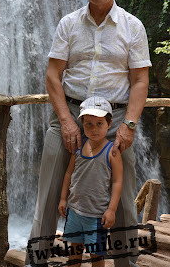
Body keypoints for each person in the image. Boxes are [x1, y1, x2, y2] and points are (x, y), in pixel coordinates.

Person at [26, 0, 151, 267]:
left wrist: (129, 125)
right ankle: (36, 263)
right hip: (70, 116)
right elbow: (53, 75)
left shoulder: (132, 27)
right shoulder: (69, 24)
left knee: (123, 200)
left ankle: (126, 264)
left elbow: (139, 80)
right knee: (49, 193)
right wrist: (67, 122)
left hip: (116, 119)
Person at [58, 96, 123, 267]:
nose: (94, 129)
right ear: (82, 124)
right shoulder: (79, 147)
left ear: (109, 124)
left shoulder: (112, 152)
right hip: (74, 211)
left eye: (99, 124)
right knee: (74, 253)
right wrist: (63, 199)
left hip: (96, 216)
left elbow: (117, 182)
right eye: (89, 124)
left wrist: (112, 210)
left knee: (96, 256)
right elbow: (68, 174)